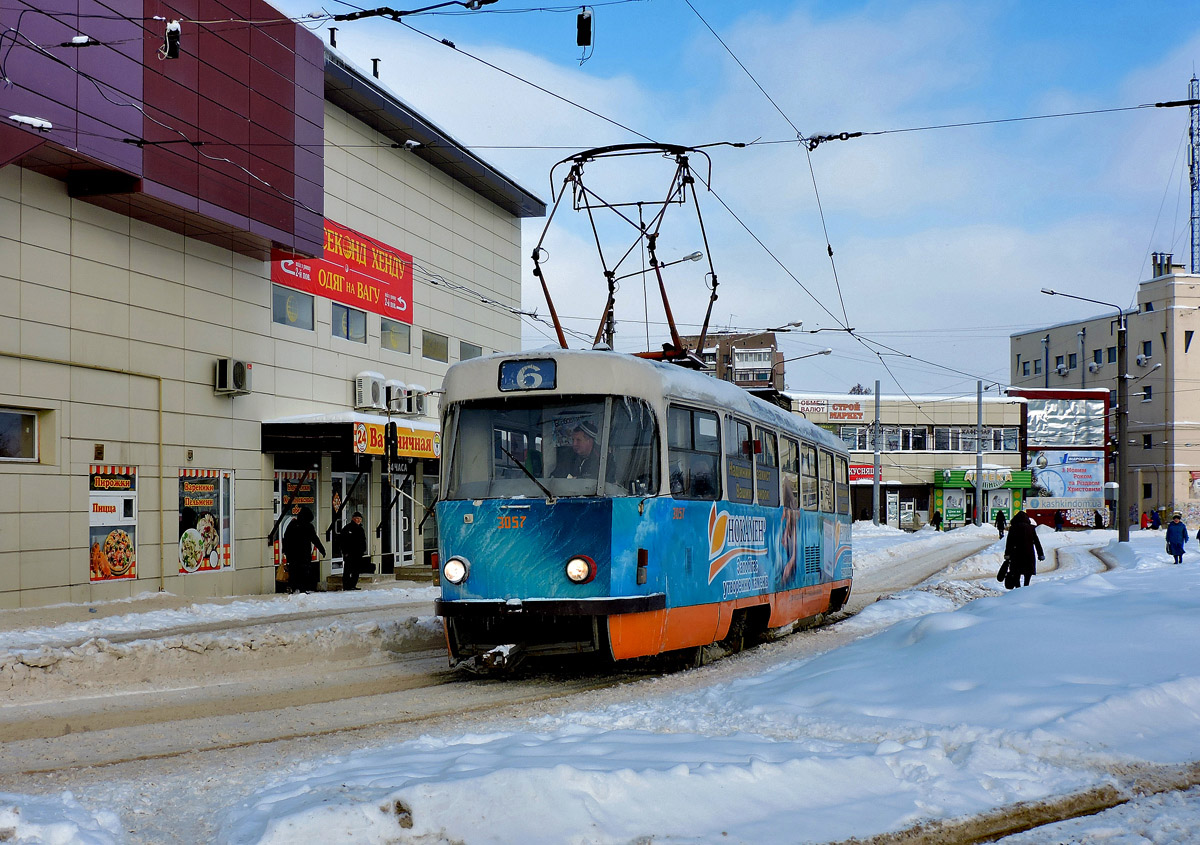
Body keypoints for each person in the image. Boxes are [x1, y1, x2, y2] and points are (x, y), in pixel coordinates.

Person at [283, 507, 326, 593]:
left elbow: (286, 539)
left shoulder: (292, 524)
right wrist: (322, 549)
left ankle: (293, 587)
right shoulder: (308, 526)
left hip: (293, 554)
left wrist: (285, 551)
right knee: (303, 572)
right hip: (304, 554)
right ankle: (302, 589)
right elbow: (315, 539)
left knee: (294, 571)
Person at [1003, 510, 1044, 590]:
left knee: (1016, 572)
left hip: (1016, 554)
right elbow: (1037, 542)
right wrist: (1040, 554)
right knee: (1028, 572)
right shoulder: (1031, 528)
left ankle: (1018, 588)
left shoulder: (1013, 528)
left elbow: (1009, 542)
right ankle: (1026, 587)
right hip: (1028, 554)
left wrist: (1007, 554)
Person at [340, 511, 368, 590]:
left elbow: (363, 541)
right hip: (349, 553)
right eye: (356, 519)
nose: (358, 520)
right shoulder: (347, 528)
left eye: (360, 519)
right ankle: (346, 586)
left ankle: (353, 585)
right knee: (348, 570)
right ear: (353, 519)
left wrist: (363, 550)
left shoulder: (361, 529)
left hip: (358, 553)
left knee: (356, 570)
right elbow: (342, 541)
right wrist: (345, 552)